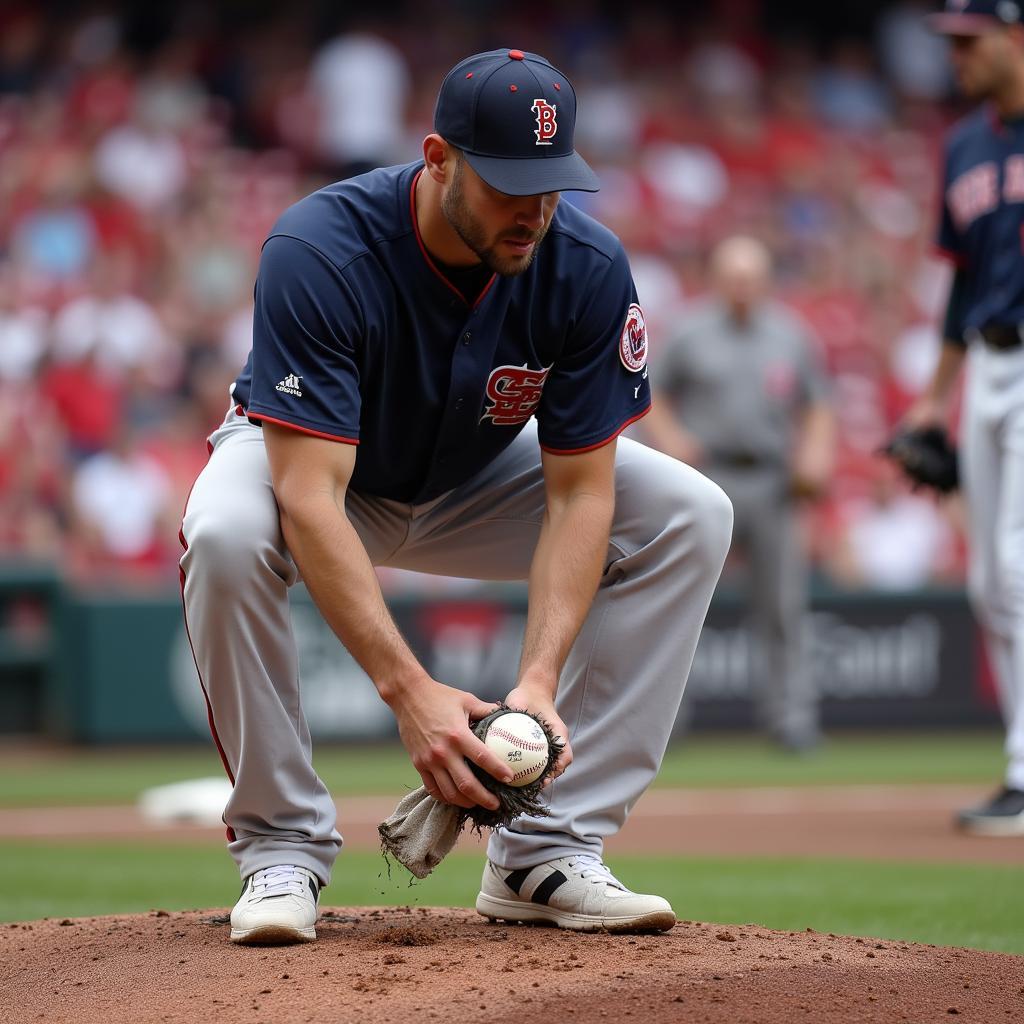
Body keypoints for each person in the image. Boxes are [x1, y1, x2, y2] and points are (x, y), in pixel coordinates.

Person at [179, 49, 734, 944]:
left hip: (475, 474)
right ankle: (281, 849)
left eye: (553, 184)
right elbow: (310, 498)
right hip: (321, 472)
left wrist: (540, 682)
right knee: (225, 531)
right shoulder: (320, 248)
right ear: (437, 159)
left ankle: (546, 851)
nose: (537, 211)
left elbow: (582, 492)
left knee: (691, 514)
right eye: (512, 184)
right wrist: (410, 693)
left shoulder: (583, 264)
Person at [644, 236, 834, 752]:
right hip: (708, 478)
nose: (742, 288)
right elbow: (648, 392)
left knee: (782, 608)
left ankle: (792, 721)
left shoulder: (791, 334)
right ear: (716, 280)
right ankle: (667, 722)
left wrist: (816, 451)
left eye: (751, 278)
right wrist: (672, 438)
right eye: (733, 278)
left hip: (773, 481)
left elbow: (818, 404)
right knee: (685, 604)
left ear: (767, 280)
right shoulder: (690, 331)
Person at [907, 1, 1024, 835]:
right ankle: (1020, 768)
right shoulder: (966, 145)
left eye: (969, 42)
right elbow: (959, 283)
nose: (957, 57)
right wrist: (931, 394)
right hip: (985, 360)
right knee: (988, 579)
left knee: (1017, 568)